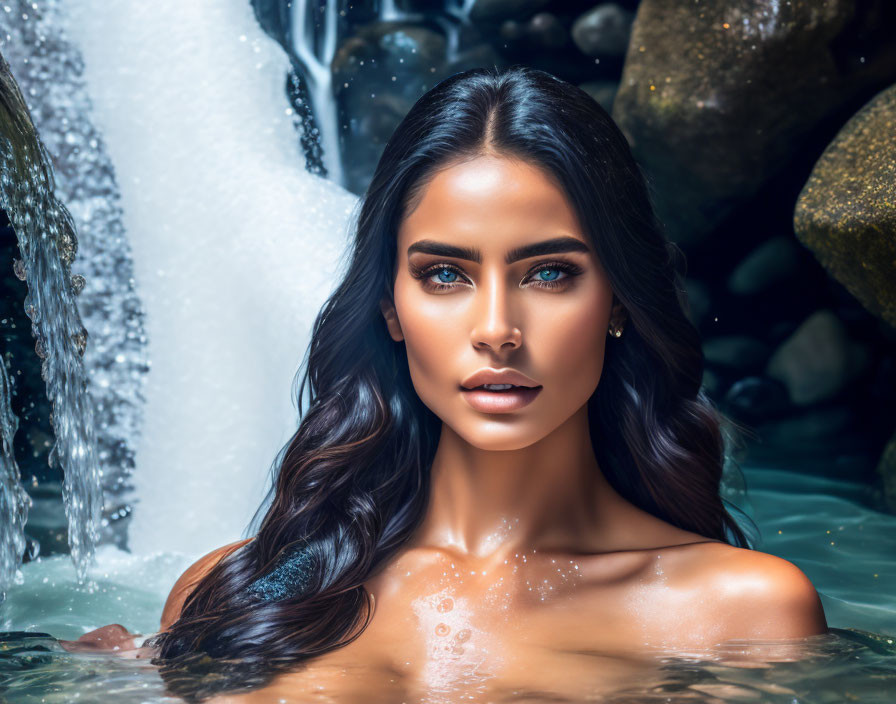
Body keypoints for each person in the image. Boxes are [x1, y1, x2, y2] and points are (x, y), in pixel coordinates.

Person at [69, 65, 828, 700]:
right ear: (389, 309)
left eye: (550, 273)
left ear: (620, 303)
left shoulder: (743, 611)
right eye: (445, 274)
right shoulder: (236, 590)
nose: (497, 327)